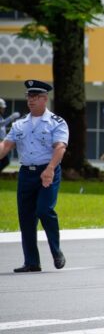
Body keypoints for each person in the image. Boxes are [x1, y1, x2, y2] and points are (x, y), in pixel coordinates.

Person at [0, 80, 68, 272]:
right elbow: (6, 145)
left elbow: (60, 147)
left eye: (35, 97)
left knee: (44, 210)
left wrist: (50, 168)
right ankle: (31, 261)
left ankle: (56, 251)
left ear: (45, 99)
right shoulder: (20, 124)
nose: (31, 100)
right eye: (29, 96)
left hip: (47, 171)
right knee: (26, 217)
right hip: (26, 174)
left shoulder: (56, 122)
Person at [0, 98, 21, 173]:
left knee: (5, 161)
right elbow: (2, 124)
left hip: (2, 142)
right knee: (5, 161)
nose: (3, 110)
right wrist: (11, 117)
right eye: (2, 108)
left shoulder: (1, 117)